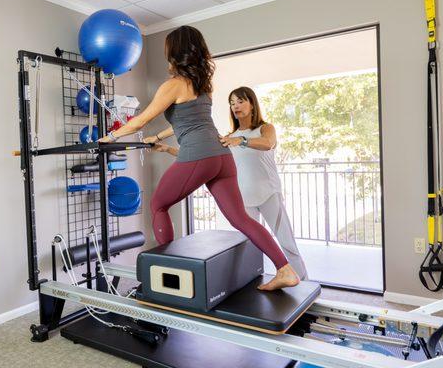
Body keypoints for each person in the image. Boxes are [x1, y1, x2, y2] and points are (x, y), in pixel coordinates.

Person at [98, 25, 299, 291]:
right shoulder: (203, 85)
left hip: (199, 156)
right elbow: (189, 122)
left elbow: (140, 120)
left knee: (158, 205)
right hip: (221, 157)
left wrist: (109, 138)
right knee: (241, 218)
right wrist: (158, 138)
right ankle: (286, 270)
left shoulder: (173, 85)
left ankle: (163, 276)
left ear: (175, 51)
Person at [218, 87, 308, 280]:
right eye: (232, 103)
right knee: (249, 245)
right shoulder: (229, 137)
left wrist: (240, 141)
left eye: (240, 101)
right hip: (244, 199)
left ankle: (304, 286)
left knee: (286, 242)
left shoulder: (265, 129)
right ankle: (251, 284)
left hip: (269, 194)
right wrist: (167, 149)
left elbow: (267, 143)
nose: (235, 106)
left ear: (252, 104)